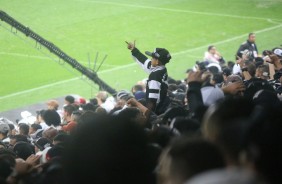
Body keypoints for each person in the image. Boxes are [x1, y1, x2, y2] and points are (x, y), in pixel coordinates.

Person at [126, 40, 172, 115]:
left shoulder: (155, 77)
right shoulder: (162, 69)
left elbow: (152, 102)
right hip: (161, 106)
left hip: (156, 112)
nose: (151, 59)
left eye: (152, 58)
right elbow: (145, 62)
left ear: (157, 62)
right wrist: (134, 50)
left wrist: (147, 116)